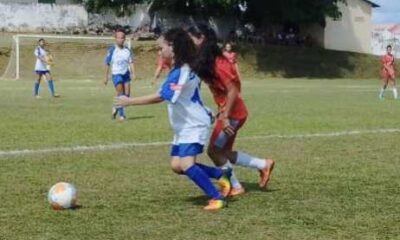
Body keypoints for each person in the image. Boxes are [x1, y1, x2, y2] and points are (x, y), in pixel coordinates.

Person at [115, 28, 232, 211]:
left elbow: (161, 96)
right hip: (184, 126)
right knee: (177, 166)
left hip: (194, 124)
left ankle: (217, 197)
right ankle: (220, 174)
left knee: (186, 164)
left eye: (161, 48)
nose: (159, 51)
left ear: (173, 47)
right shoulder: (179, 69)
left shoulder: (182, 72)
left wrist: (129, 101)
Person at [187, 24, 275, 197]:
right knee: (223, 152)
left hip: (233, 114)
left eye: (191, 40)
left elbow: (233, 90)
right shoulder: (209, 61)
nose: (189, 44)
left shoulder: (219, 63)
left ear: (201, 38)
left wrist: (225, 116)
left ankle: (235, 186)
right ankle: (263, 164)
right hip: (231, 112)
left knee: (213, 151)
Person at [104, 29, 136, 121]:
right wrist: (106, 77)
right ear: (115, 39)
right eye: (119, 38)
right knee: (121, 94)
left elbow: (131, 62)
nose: (120, 40)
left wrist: (133, 73)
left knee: (127, 96)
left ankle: (115, 107)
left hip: (126, 74)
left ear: (124, 39)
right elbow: (107, 63)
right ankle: (122, 115)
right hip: (116, 74)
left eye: (122, 38)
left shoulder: (127, 50)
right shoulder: (112, 50)